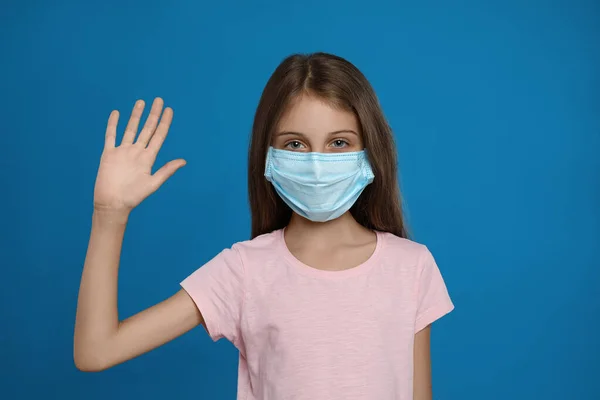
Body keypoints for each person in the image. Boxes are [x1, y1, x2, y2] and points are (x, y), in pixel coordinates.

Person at [74, 52, 454, 400]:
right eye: (295, 145)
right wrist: (109, 215)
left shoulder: (412, 267)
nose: (317, 165)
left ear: (369, 152)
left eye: (338, 143)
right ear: (268, 156)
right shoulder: (244, 271)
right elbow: (97, 350)